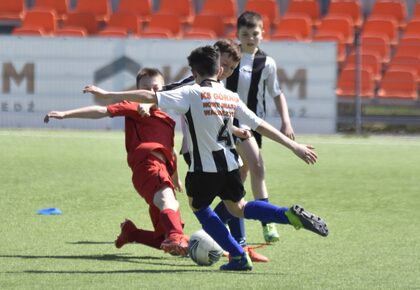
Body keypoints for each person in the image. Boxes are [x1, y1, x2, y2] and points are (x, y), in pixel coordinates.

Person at [83, 45, 329, 271]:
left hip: (204, 169)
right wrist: (293, 146)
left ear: (193, 71)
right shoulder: (230, 97)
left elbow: (150, 96)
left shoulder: (190, 93)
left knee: (199, 207)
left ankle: (238, 256)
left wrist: (108, 93)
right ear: (220, 70)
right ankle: (287, 215)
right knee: (239, 208)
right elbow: (260, 125)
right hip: (231, 164)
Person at [44, 68, 189, 256]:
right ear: (138, 91)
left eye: (156, 88)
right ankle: (177, 237)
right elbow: (102, 111)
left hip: (163, 171)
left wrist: (176, 178)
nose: (151, 92)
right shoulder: (135, 107)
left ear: (164, 89)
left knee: (164, 238)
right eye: (146, 88)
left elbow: (171, 152)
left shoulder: (168, 120)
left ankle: (132, 233)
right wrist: (66, 114)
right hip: (148, 166)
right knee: (168, 203)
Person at [162, 39, 269, 263]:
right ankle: (232, 246)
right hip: (198, 150)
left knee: (234, 194)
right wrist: (145, 103)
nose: (226, 71)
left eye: (231, 68)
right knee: (225, 199)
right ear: (214, 58)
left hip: (219, 145)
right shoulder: (193, 82)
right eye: (225, 65)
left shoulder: (219, 88)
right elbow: (165, 93)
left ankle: (238, 247)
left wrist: (235, 129)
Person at [225, 11, 296, 243]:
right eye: (245, 34)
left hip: (255, 124)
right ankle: (269, 223)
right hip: (231, 124)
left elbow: (277, 94)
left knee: (242, 175)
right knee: (257, 167)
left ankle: (218, 220)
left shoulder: (267, 62)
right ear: (237, 34)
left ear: (262, 34)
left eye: (255, 33)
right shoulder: (226, 57)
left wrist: (286, 121)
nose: (250, 38)